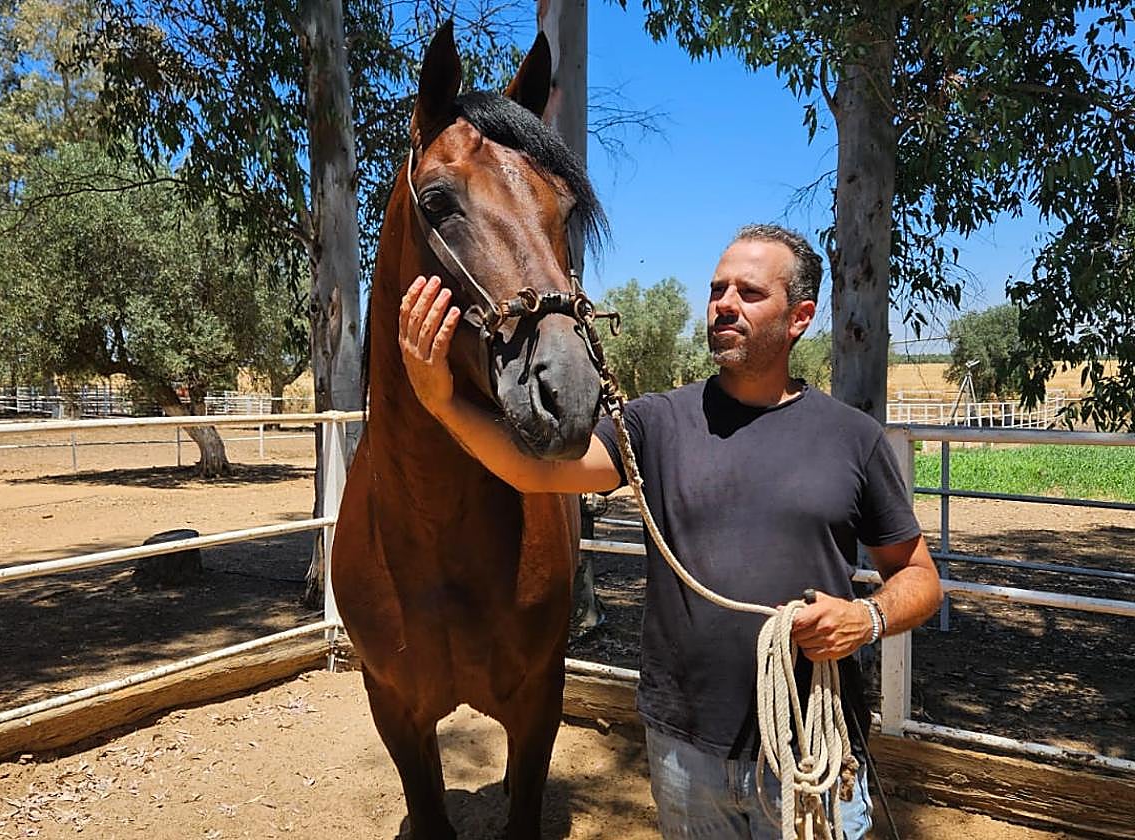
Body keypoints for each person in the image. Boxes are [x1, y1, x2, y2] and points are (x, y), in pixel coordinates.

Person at [397, 223, 943, 839]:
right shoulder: (656, 424)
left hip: (809, 747)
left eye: (749, 292)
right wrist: (441, 402)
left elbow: (920, 578)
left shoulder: (854, 439)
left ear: (800, 317)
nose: (724, 304)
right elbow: (532, 471)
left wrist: (865, 620)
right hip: (684, 751)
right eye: (717, 289)